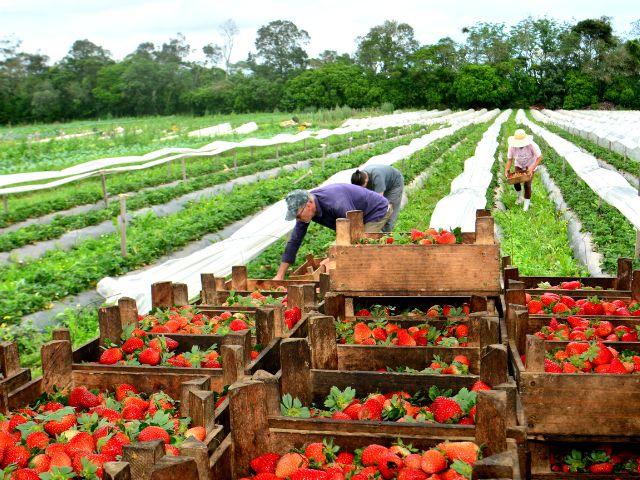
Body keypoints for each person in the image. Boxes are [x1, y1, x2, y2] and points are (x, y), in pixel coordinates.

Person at [273, 184, 392, 280]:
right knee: (346, 251)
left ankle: (377, 277)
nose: (298, 219)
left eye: (298, 215)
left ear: (309, 204)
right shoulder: (307, 211)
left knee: (361, 248)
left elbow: (354, 231)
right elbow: (295, 241)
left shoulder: (335, 203)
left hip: (375, 211)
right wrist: (280, 275)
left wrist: (332, 258)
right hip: (355, 218)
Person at [351, 164, 404, 232]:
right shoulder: (358, 178)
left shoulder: (377, 176)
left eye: (363, 187)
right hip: (381, 183)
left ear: (366, 179)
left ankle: (385, 234)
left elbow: (379, 202)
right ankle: (376, 233)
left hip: (394, 184)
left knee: (389, 209)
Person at [504, 129, 542, 212]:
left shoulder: (532, 145)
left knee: (527, 184)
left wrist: (531, 169)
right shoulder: (512, 147)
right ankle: (519, 198)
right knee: (515, 181)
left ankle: (526, 206)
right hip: (519, 164)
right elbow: (510, 159)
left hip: (530, 165)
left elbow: (539, 157)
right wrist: (507, 170)